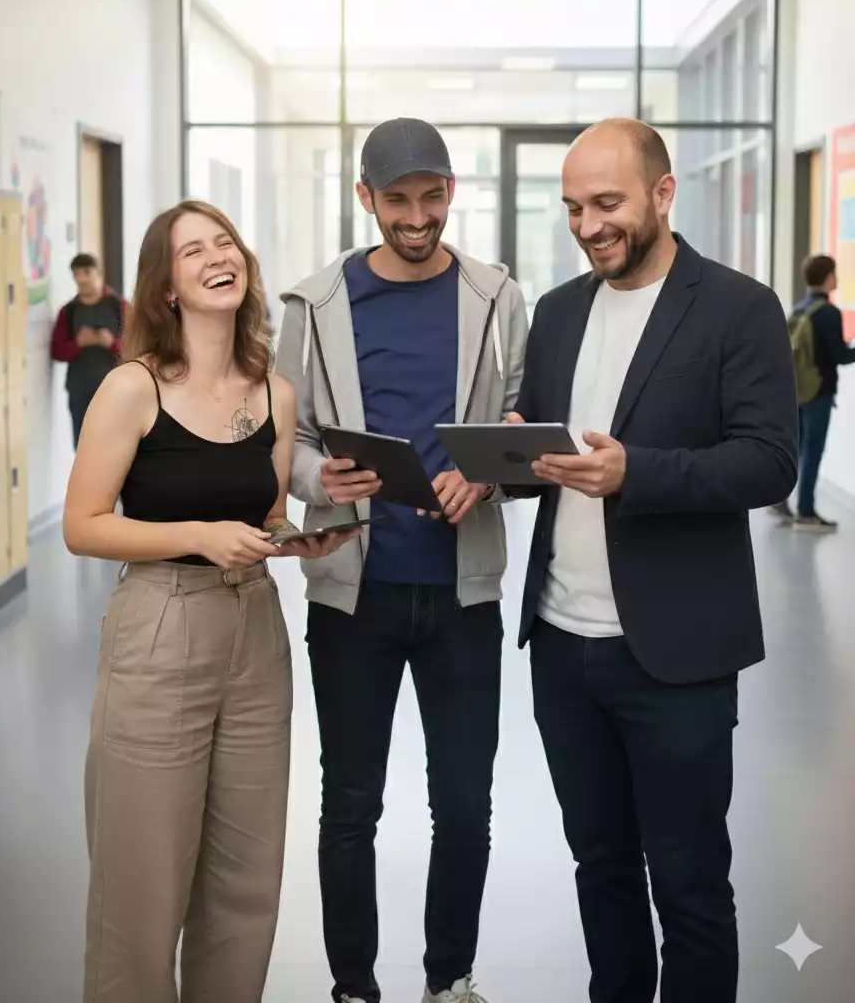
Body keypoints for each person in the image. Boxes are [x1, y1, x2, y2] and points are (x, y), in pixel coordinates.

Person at [505, 119, 797, 1003]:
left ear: (663, 194)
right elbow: (546, 455)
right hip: (562, 645)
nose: (587, 225)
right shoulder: (557, 314)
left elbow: (768, 459)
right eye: (571, 208)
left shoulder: (738, 308)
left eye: (607, 204)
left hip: (674, 655)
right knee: (600, 867)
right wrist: (513, 454)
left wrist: (636, 471)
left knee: (690, 885)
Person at [62, 200, 357, 1003]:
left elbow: (258, 514)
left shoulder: (275, 394)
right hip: (160, 625)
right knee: (142, 886)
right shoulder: (133, 389)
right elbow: (82, 527)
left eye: (225, 242)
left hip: (254, 629)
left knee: (245, 883)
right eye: (193, 251)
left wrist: (292, 537)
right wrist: (197, 534)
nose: (216, 257)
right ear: (167, 289)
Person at [274, 117, 528, 1003]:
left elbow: (519, 424)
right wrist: (321, 473)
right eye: (397, 200)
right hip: (354, 598)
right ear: (365, 200)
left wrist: (485, 474)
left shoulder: (499, 297)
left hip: (463, 595)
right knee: (350, 808)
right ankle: (354, 989)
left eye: (431, 197)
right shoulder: (314, 305)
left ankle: (447, 980)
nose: (416, 218)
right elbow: (290, 436)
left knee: (464, 808)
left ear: (451, 191)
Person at [771, 253, 855, 532]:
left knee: (796, 449)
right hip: (819, 390)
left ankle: (779, 498)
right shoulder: (829, 312)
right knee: (813, 453)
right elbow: (840, 356)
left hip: (796, 389)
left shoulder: (801, 307)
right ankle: (806, 512)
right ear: (828, 277)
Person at [50, 253, 128, 446]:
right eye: (77, 274)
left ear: (98, 273)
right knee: (85, 448)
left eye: (87, 272)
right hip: (80, 391)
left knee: (118, 447)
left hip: (116, 390)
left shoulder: (119, 306)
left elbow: (139, 347)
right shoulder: (68, 311)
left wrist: (111, 343)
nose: (82, 279)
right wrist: (78, 344)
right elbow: (57, 351)